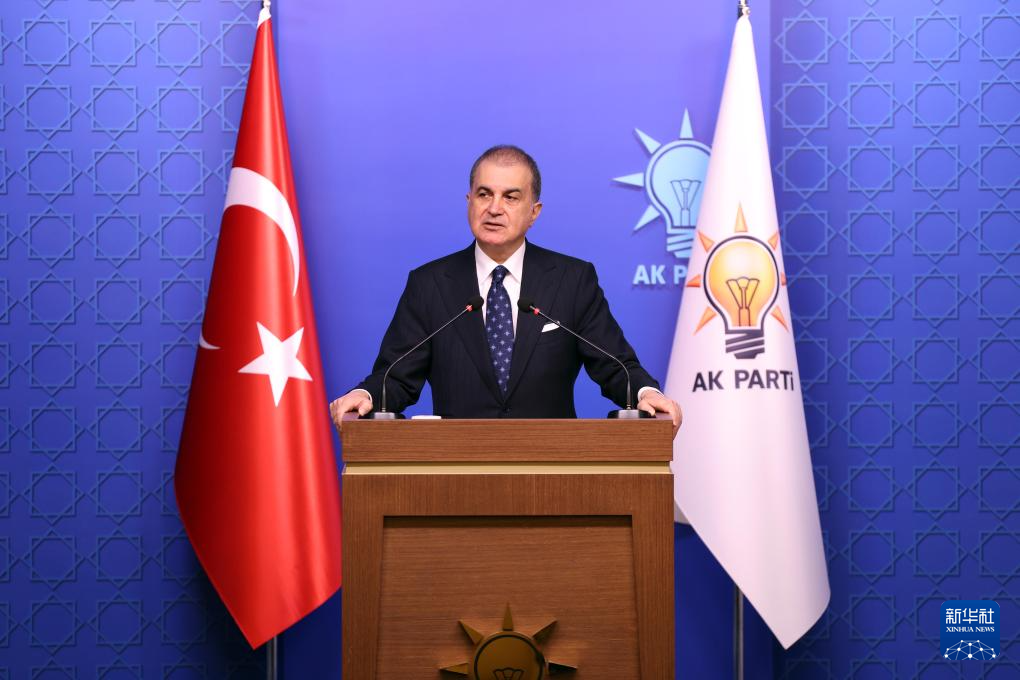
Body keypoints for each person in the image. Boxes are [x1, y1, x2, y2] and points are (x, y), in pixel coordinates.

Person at [329, 145, 682, 434]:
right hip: (454, 468)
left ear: (534, 212)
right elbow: (395, 377)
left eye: (511, 197)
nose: (494, 208)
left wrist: (646, 392)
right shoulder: (430, 284)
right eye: (484, 194)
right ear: (469, 201)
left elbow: (615, 365)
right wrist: (366, 394)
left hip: (552, 467)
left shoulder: (572, 280)